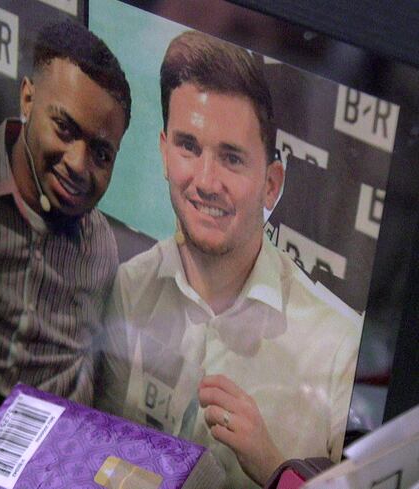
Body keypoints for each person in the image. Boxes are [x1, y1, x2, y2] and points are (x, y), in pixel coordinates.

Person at [96, 31, 361, 487]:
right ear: (163, 152)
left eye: (232, 158)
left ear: (272, 184)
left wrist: (274, 467)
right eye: (188, 147)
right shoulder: (128, 287)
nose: (205, 180)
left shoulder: (338, 350)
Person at [0, 21, 131, 414]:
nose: (78, 164)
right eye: (64, 128)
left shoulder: (103, 248)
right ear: (27, 99)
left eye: (101, 154)